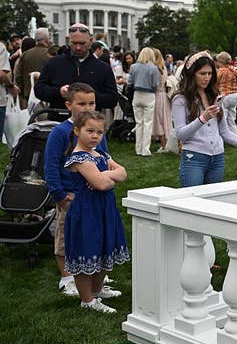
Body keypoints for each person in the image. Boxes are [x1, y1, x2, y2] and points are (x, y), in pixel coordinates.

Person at [44, 83, 111, 297]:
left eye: (91, 103)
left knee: (91, 235)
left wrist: (102, 178)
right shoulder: (60, 132)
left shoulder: (98, 132)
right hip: (71, 195)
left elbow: (105, 158)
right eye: (81, 103)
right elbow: (51, 167)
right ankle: (67, 278)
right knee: (66, 237)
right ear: (69, 105)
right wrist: (60, 196)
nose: (87, 107)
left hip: (94, 196)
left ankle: (93, 280)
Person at [63, 110, 128, 313]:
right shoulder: (78, 158)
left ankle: (97, 289)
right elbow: (101, 184)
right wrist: (108, 177)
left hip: (104, 209)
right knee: (87, 249)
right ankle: (87, 299)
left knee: (104, 248)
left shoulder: (100, 154)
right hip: (87, 212)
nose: (95, 136)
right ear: (77, 130)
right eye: (90, 131)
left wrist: (105, 174)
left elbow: (123, 173)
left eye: (99, 132)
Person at [172, 50, 237, 187]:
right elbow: (181, 135)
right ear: (192, 74)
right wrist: (202, 118)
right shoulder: (180, 99)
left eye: (210, 73)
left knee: (213, 198)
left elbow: (224, 132)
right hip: (194, 157)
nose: (207, 77)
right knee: (193, 198)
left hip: (217, 158)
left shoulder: (214, 96)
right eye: (202, 73)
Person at [34, 23, 118, 121]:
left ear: (90, 41)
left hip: (89, 124)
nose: (78, 47)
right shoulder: (54, 63)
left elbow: (112, 99)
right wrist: (59, 92)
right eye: (74, 43)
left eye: (82, 43)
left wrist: (89, 98)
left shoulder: (103, 68)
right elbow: (39, 90)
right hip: (58, 122)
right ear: (69, 41)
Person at [127, 48, 159, 156]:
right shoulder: (153, 68)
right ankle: (145, 150)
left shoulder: (134, 67)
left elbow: (130, 82)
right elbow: (155, 84)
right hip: (149, 95)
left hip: (137, 94)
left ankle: (138, 148)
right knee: (148, 123)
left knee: (139, 123)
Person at [14, 27, 50, 108]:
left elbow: (18, 76)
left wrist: (22, 93)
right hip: (46, 94)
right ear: (46, 39)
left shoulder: (25, 54)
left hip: (29, 94)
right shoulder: (50, 54)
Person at [152, 48, 172, 153]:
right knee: (164, 119)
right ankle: (165, 144)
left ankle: (163, 145)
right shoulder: (163, 68)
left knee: (159, 120)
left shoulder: (156, 69)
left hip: (157, 95)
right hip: (164, 95)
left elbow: (155, 84)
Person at [214, 51, 237, 134]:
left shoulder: (221, 71)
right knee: (232, 119)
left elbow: (214, 82)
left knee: (223, 118)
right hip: (234, 94)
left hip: (224, 95)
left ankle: (222, 136)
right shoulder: (233, 70)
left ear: (220, 61)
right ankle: (234, 137)